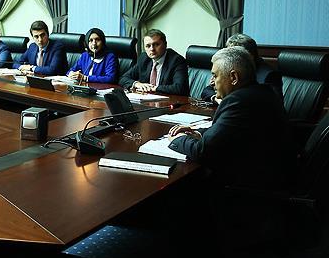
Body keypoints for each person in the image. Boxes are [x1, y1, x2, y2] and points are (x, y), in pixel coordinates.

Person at [169, 46, 295, 189]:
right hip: (275, 173)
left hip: (248, 185)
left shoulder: (238, 101)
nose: (212, 82)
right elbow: (228, 132)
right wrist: (198, 133)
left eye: (215, 75)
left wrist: (178, 139)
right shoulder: (263, 92)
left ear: (233, 77)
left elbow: (203, 152)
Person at [200, 33, 282, 103]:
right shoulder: (227, 68)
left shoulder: (269, 75)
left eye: (233, 54)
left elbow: (272, 104)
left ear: (248, 55)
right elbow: (207, 90)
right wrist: (215, 98)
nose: (227, 58)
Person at [119, 29, 189, 95]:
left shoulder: (177, 60)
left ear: (165, 44)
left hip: (170, 100)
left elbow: (180, 88)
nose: (152, 49)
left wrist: (154, 88)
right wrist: (137, 84)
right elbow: (123, 78)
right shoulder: (144, 58)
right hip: (147, 99)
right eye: (148, 46)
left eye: (156, 44)